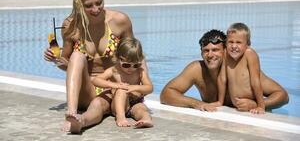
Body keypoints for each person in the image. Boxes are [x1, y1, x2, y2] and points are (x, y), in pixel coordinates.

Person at [44, 0, 148, 133]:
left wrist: (140, 86)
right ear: (79, 4)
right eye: (88, 5)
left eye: (99, 3)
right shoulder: (71, 26)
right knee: (77, 55)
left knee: (99, 106)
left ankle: (80, 122)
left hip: (114, 88)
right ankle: (71, 112)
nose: (95, 9)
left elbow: (136, 55)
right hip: (87, 90)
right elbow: (69, 65)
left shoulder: (120, 21)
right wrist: (57, 61)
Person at [160, 29, 289, 112]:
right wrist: (198, 104)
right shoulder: (197, 69)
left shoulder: (241, 69)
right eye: (206, 51)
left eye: (215, 50)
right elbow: (166, 94)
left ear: (225, 51)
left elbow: (282, 95)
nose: (210, 55)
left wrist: (257, 104)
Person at [93, 37, 153, 128]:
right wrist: (115, 85)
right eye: (126, 65)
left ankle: (146, 119)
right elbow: (96, 80)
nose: (131, 68)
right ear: (117, 58)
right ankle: (120, 117)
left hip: (135, 103)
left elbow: (149, 88)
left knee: (142, 109)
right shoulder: (114, 70)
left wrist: (135, 87)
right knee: (121, 90)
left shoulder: (140, 71)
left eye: (136, 65)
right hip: (118, 106)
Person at [213, 23, 265, 114]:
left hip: (250, 104)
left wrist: (260, 106)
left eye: (238, 42)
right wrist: (220, 101)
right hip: (236, 107)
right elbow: (222, 78)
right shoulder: (226, 54)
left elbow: (255, 80)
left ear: (247, 44)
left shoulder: (250, 54)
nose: (234, 46)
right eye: (230, 42)